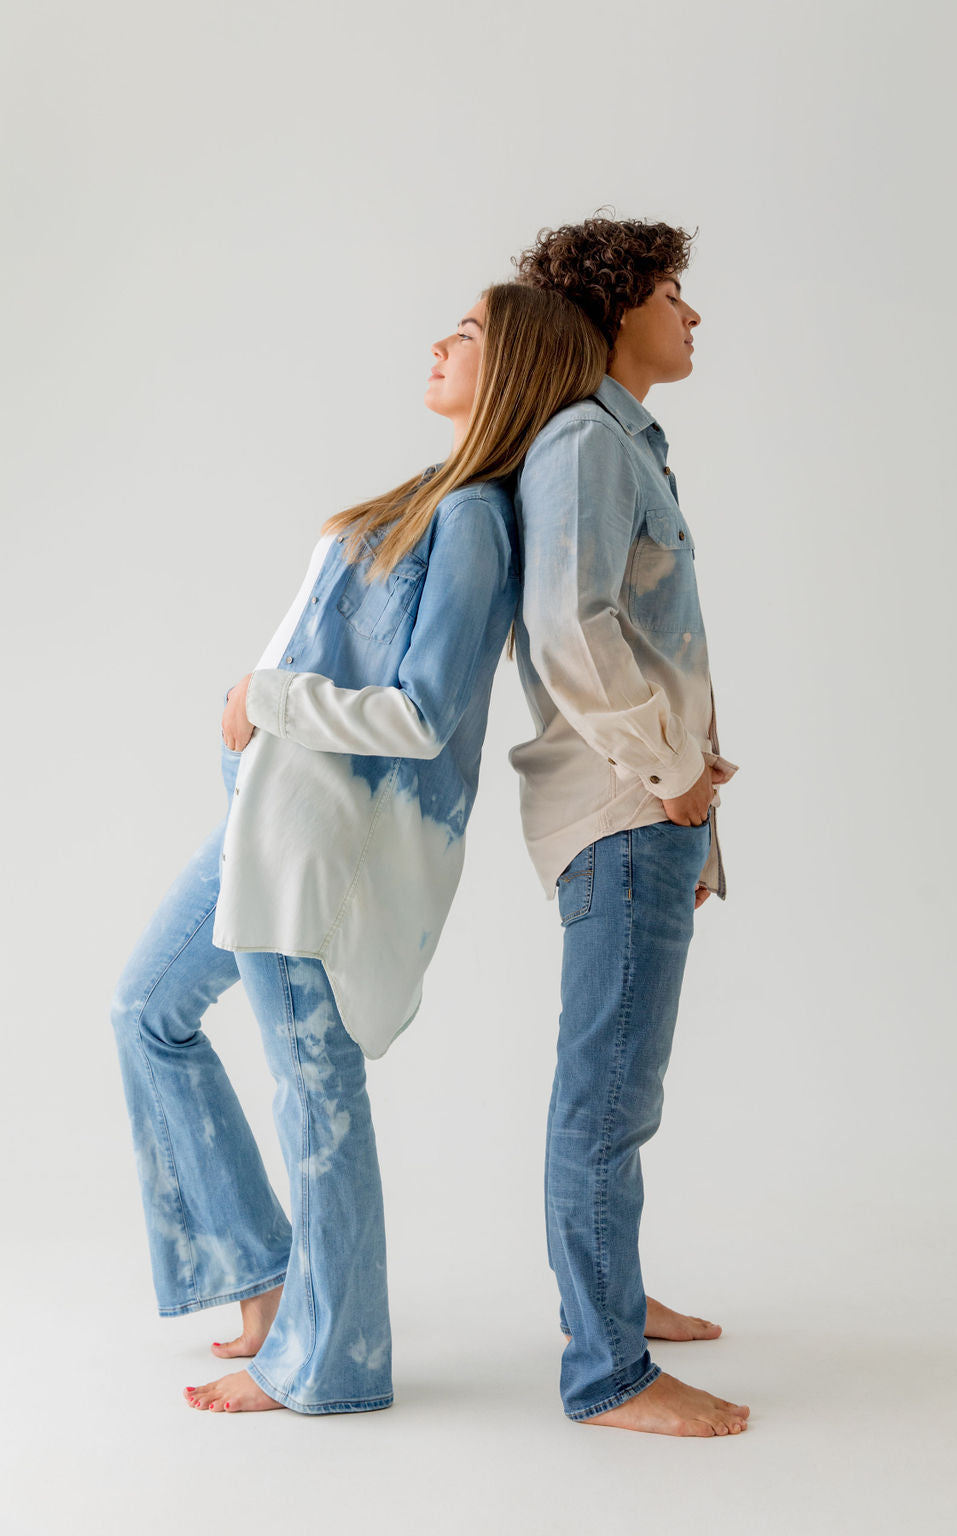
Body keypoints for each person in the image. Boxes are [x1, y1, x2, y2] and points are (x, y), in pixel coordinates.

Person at [110, 280, 607, 1416]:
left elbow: (424, 714)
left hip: (321, 843)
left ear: (517, 367)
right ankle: (263, 1277)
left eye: (470, 334)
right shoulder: (421, 499)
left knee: (312, 1085)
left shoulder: (475, 518)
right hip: (266, 819)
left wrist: (268, 696)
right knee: (146, 1011)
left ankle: (337, 1361)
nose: (441, 342)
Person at [509, 215, 748, 1436]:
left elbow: (643, 642)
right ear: (616, 309)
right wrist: (668, 780)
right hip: (621, 810)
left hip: (645, 815)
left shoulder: (622, 445)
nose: (692, 316)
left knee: (617, 1092)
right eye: (671, 294)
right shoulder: (588, 445)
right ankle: (606, 1375)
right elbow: (570, 628)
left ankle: (605, 1302)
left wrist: (691, 818)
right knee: (603, 1100)